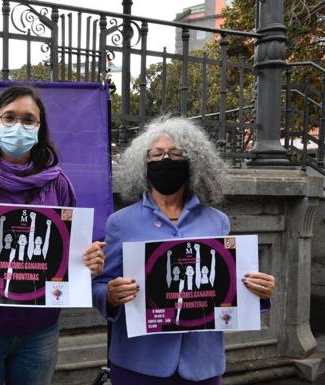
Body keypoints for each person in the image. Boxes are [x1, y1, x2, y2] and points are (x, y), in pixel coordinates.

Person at [0, 85, 106, 385]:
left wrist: (88, 262)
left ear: (40, 128)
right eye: (10, 117)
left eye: (28, 120)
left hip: (38, 333)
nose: (18, 126)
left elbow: (68, 256)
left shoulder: (59, 185)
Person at [92, 116, 276, 385]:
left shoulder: (217, 220)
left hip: (202, 364)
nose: (165, 160)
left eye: (175, 154)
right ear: (143, 164)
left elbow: (228, 285)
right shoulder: (120, 223)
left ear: (193, 163)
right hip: (138, 363)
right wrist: (110, 296)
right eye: (156, 154)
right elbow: (99, 285)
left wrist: (259, 291)